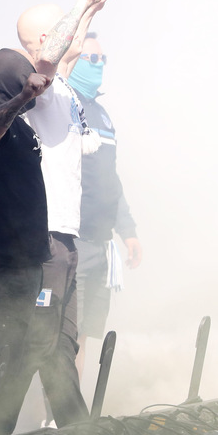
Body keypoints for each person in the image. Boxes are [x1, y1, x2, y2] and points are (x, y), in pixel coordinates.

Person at [0, 0, 107, 435]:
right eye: (64, 31)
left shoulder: (57, 83)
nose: (76, 43)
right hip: (41, 247)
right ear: (43, 43)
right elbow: (52, 53)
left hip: (62, 243)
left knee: (58, 345)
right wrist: (81, 3)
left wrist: (90, 12)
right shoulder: (33, 91)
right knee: (28, 348)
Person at [68, 33, 143, 373]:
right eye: (91, 59)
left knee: (82, 332)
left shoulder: (102, 114)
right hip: (71, 240)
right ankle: (51, 415)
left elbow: (110, 179)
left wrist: (127, 230)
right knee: (64, 332)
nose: (99, 65)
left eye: (103, 59)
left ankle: (68, 413)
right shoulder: (62, 105)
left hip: (101, 243)